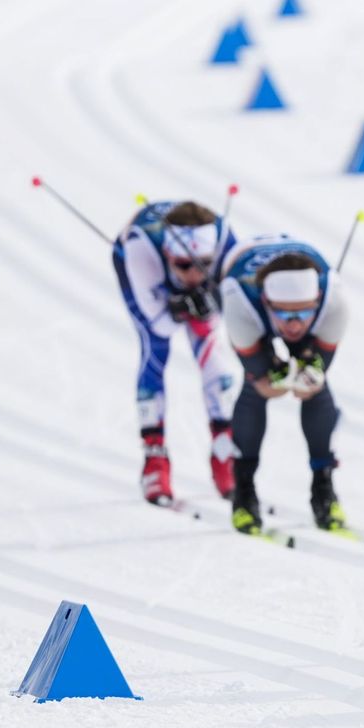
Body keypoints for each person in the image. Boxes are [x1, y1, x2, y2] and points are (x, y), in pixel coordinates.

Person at [218, 234, 350, 536]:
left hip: (293, 294)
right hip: (240, 270)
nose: (294, 323)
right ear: (266, 302)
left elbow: (315, 376)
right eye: (286, 314)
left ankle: (323, 487)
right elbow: (262, 379)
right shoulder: (240, 302)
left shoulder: (335, 304)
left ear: (317, 301)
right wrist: (269, 373)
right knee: (258, 388)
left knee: (314, 387)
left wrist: (308, 366)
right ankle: (244, 491)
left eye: (304, 312)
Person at [111, 200, 239, 505]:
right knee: (155, 348)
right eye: (183, 265)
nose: (194, 274)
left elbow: (234, 308)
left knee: (210, 346)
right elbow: (161, 325)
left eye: (203, 264)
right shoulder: (140, 249)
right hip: (143, 270)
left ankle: (225, 453)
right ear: (170, 255)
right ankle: (154, 459)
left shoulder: (225, 243)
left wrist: (209, 302)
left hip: (178, 265)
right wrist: (182, 306)